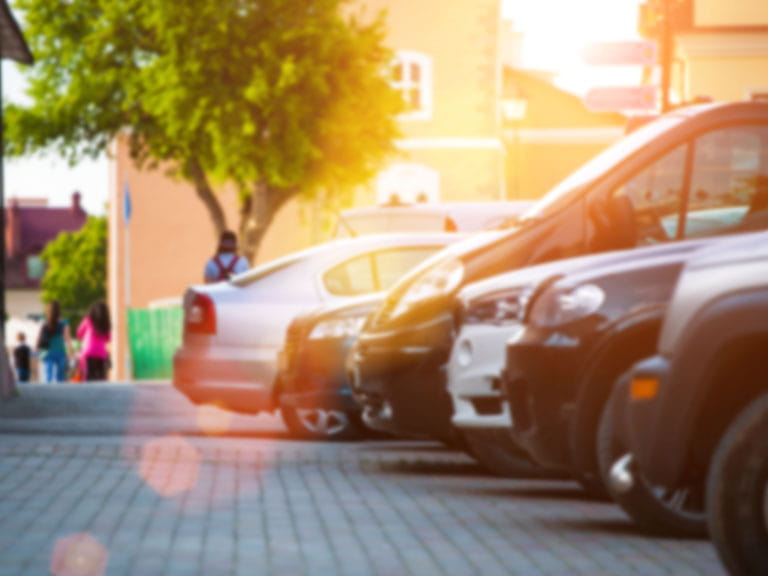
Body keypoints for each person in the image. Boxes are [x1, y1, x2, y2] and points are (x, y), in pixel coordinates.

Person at [37, 300, 72, 383]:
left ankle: (48, 393)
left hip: (47, 351)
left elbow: (39, 336)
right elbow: (67, 338)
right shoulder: (64, 322)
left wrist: (38, 349)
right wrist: (71, 351)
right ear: (59, 310)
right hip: (60, 350)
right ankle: (60, 394)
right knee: (60, 377)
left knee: (48, 376)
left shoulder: (44, 321)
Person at [76, 300, 112, 381]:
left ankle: (89, 388)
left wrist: (84, 338)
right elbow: (109, 338)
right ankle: (101, 385)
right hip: (101, 352)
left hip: (88, 351)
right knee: (101, 373)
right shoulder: (105, 323)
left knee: (89, 373)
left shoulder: (88, 320)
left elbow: (79, 333)